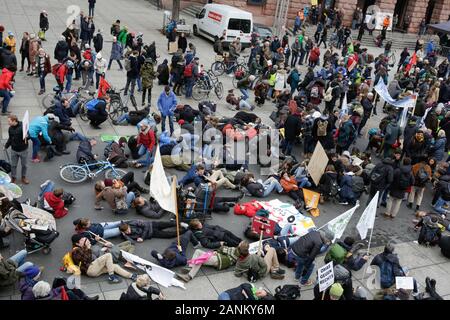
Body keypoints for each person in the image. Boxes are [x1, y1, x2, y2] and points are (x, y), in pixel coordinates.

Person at [71, 234, 137, 283]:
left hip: (95, 268)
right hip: (90, 269)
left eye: (84, 238)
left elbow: (95, 258)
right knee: (108, 255)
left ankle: (131, 276)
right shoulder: (76, 251)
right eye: (82, 240)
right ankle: (111, 277)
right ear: (77, 243)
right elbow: (86, 260)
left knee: (114, 266)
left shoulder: (84, 248)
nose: (85, 240)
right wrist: (88, 249)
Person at [5, 114, 29, 184]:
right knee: (13, 165)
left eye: (9, 121)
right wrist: (6, 146)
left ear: (14, 121)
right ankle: (13, 177)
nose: (8, 123)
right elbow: (10, 138)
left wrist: (27, 136)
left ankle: (23, 177)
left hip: (23, 150)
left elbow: (29, 135)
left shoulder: (23, 127)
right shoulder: (10, 128)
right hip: (14, 150)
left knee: (24, 165)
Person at [119, 220, 187, 243]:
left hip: (152, 225)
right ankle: (184, 230)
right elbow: (132, 242)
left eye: (128, 230)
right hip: (152, 233)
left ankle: (180, 223)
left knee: (167, 224)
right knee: (168, 235)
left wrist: (142, 237)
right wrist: (125, 235)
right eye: (126, 232)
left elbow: (145, 226)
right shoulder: (127, 235)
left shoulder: (133, 223)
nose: (128, 232)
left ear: (128, 226)